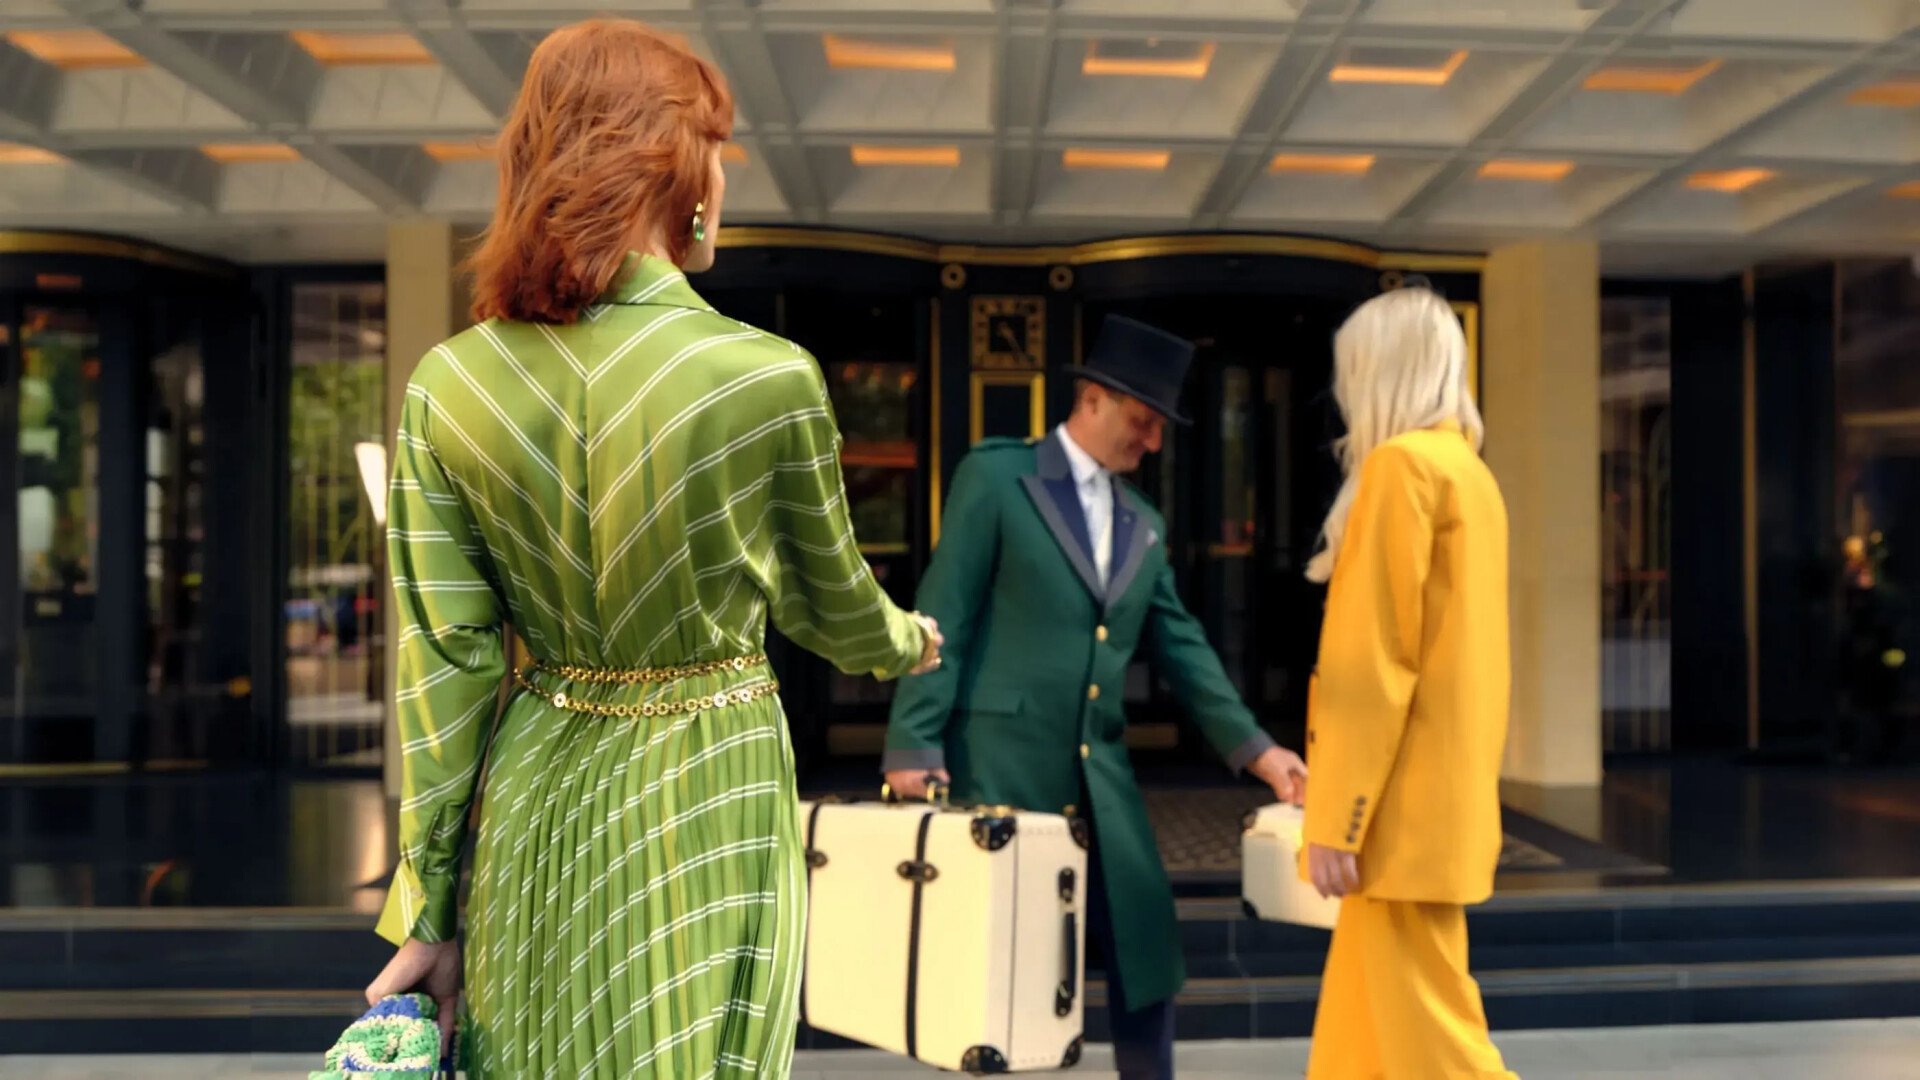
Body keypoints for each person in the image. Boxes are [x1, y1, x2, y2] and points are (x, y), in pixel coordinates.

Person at [359, 20, 942, 1079]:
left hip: (534, 789)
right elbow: (827, 599)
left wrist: (427, 908)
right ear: (673, 165)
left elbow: (443, 670)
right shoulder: (763, 377)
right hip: (705, 779)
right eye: (716, 146)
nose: (723, 175)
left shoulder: (452, 384)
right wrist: (906, 642)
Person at [883, 314, 1308, 1080]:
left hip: (1102, 783)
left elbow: (1184, 648)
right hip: (1002, 772)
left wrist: (1262, 753)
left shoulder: (1144, 523)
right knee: (1001, 979)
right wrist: (915, 745)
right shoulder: (998, 476)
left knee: (1147, 953)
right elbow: (940, 615)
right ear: (1094, 400)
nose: (1151, 443)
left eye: (1158, 430)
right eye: (1144, 423)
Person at [1299, 286, 1516, 1080]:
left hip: (1394, 815)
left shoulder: (1403, 469)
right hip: (1438, 807)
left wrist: (1337, 817)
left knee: (1434, 1047)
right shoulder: (1468, 475)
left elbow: (1374, 662)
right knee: (1363, 1045)